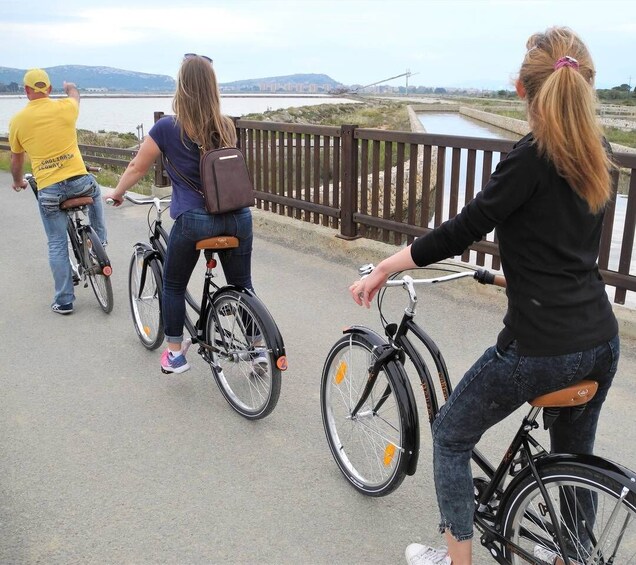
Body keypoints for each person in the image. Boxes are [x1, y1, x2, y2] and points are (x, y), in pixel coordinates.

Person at [350, 27, 620, 565]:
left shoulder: (529, 159)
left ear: (522, 90)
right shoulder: (600, 152)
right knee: (573, 463)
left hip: (542, 346)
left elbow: (461, 229)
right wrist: (514, 279)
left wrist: (386, 265)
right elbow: (568, 251)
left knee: (450, 433)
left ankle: (456, 560)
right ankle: (575, 554)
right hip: (600, 340)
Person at [106, 54, 254, 375]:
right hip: (239, 217)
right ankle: (257, 349)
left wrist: (117, 192)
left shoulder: (167, 127)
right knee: (242, 286)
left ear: (181, 86)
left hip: (194, 220)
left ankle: (175, 354)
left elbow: (137, 166)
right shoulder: (226, 126)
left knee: (173, 285)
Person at [9, 68, 107, 315]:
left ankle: (64, 300)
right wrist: (70, 87)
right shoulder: (66, 107)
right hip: (79, 182)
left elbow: (16, 160)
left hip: (50, 190)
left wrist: (18, 181)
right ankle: (99, 242)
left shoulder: (18, 121)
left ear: (26, 90)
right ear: (49, 89)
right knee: (95, 190)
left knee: (56, 242)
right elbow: (76, 95)